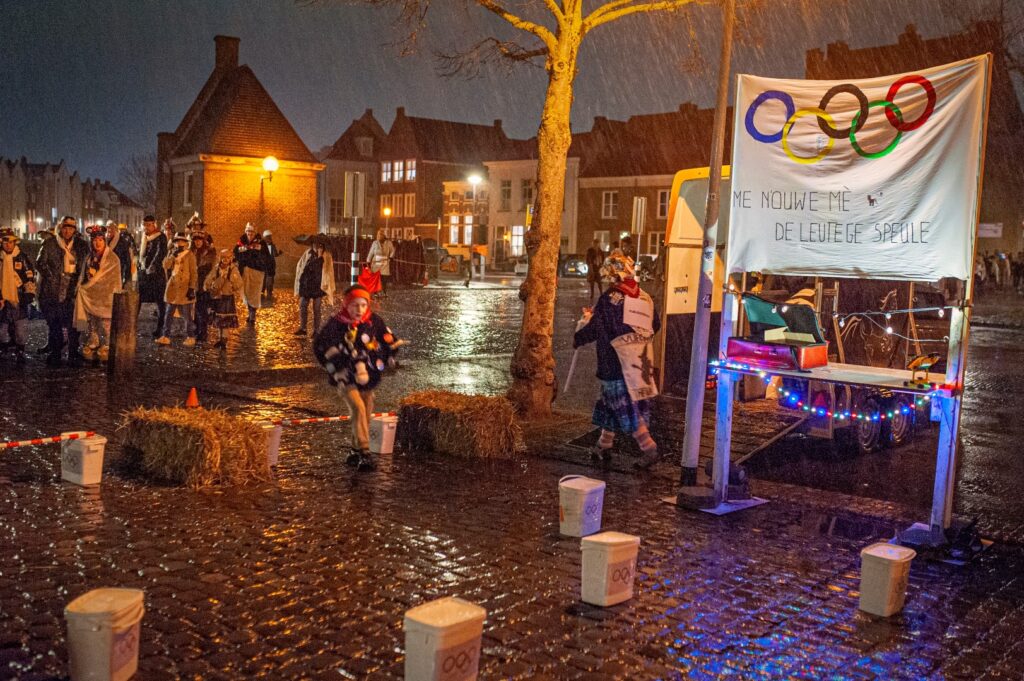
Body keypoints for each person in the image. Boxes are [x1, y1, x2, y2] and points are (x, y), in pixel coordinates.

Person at [573, 253, 662, 470]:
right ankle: (603, 445)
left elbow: (597, 328)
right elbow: (655, 325)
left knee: (624, 407)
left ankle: (649, 448)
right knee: (610, 404)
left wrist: (579, 337)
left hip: (614, 363)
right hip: (639, 361)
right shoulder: (644, 297)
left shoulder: (609, 299)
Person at [313, 284, 402, 471]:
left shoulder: (373, 321)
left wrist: (389, 353)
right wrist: (335, 364)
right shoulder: (335, 324)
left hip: (366, 374)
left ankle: (354, 449)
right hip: (345, 375)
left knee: (367, 407)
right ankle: (365, 451)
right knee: (358, 407)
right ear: (346, 305)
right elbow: (320, 345)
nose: (359, 310)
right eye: (355, 305)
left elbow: (388, 339)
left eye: (363, 305)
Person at [36, 216, 89, 366]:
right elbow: (40, 263)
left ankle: (73, 353)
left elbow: (86, 263)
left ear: (74, 230)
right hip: (52, 290)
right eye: (65, 227)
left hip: (73, 288)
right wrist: (51, 276)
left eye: (71, 228)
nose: (67, 231)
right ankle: (55, 353)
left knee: (75, 324)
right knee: (54, 324)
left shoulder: (81, 245)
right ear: (60, 228)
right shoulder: (50, 243)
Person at [74, 226, 122, 362]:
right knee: (92, 323)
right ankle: (92, 342)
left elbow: (112, 279)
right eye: (94, 240)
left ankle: (107, 346)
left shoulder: (112, 259)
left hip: (106, 297)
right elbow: (84, 276)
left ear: (104, 241)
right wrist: (83, 287)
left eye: (100, 240)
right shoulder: (89, 258)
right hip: (91, 297)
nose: (97, 243)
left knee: (106, 325)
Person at [0, 228, 36, 363]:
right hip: (2, 299)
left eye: (10, 242)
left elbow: (29, 276)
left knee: (21, 328)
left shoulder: (22, 257)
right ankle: (5, 346)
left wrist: (29, 293)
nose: (8, 245)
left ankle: (20, 349)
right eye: (5, 242)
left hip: (19, 297)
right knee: (2, 329)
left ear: (15, 242)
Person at [156, 232, 198, 346]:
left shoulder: (190, 255)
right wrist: (172, 256)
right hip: (173, 287)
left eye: (182, 241)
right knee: (168, 313)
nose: (179, 243)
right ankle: (165, 336)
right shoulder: (172, 253)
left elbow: (194, 273)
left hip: (185, 288)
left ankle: (190, 336)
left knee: (187, 315)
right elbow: (165, 266)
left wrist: (191, 288)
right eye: (177, 241)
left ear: (186, 243)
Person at [293, 236, 335, 336]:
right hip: (307, 285)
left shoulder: (326, 256)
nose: (316, 246)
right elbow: (302, 266)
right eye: (314, 244)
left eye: (319, 245)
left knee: (316, 308)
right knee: (303, 306)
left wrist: (320, 258)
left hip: (318, 286)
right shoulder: (308, 253)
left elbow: (327, 271)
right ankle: (303, 328)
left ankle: (316, 331)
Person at [204, 249, 244, 349]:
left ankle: (224, 340)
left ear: (231, 258)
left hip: (227, 297)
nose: (225, 260)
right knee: (219, 319)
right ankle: (220, 338)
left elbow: (238, 283)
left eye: (227, 258)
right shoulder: (217, 268)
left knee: (225, 320)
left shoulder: (233, 269)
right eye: (223, 258)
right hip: (218, 297)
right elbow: (210, 278)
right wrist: (208, 285)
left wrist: (232, 284)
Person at [137, 215, 168, 338]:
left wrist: (153, 265)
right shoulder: (145, 237)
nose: (146, 227)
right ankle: (132, 324)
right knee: (139, 299)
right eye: (144, 225)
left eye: (148, 225)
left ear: (154, 224)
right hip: (145, 274)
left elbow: (160, 253)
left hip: (156, 275)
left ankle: (161, 328)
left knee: (160, 302)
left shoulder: (161, 237)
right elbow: (142, 254)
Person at [234, 223, 271, 324]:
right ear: (245, 232)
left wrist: (261, 263)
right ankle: (250, 311)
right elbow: (235, 253)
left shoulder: (261, 243)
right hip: (244, 271)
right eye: (248, 232)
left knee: (254, 293)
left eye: (251, 232)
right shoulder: (241, 242)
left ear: (255, 233)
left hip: (256, 271)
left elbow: (267, 257)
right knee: (245, 292)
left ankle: (252, 315)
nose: (250, 234)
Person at [191, 229, 217, 343]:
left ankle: (203, 332)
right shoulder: (192, 251)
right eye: (195, 240)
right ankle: (197, 330)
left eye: (199, 240)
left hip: (203, 284)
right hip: (194, 284)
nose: (197, 242)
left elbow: (209, 266)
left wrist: (197, 270)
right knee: (195, 309)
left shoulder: (209, 251)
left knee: (202, 309)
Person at [105, 221, 136, 287]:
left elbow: (127, 259)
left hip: (118, 270)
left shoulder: (122, 241)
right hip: (106, 270)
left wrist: (127, 275)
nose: (109, 230)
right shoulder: (104, 240)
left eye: (111, 228)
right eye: (108, 228)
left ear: (115, 229)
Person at [367, 228, 395, 297]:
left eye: (381, 234)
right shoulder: (375, 243)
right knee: (376, 279)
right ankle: (376, 292)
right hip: (376, 263)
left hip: (385, 263)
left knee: (384, 279)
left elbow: (392, 250)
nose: (379, 236)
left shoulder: (388, 243)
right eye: (378, 235)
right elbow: (371, 253)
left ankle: (384, 291)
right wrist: (368, 261)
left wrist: (391, 257)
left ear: (383, 235)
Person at [261, 229, 280, 300]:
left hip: (271, 266)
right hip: (263, 266)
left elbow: (275, 254)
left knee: (270, 280)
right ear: (264, 238)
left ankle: (269, 293)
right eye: (268, 237)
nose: (269, 238)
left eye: (270, 237)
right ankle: (262, 293)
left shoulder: (273, 246)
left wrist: (279, 253)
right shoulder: (261, 246)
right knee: (262, 280)